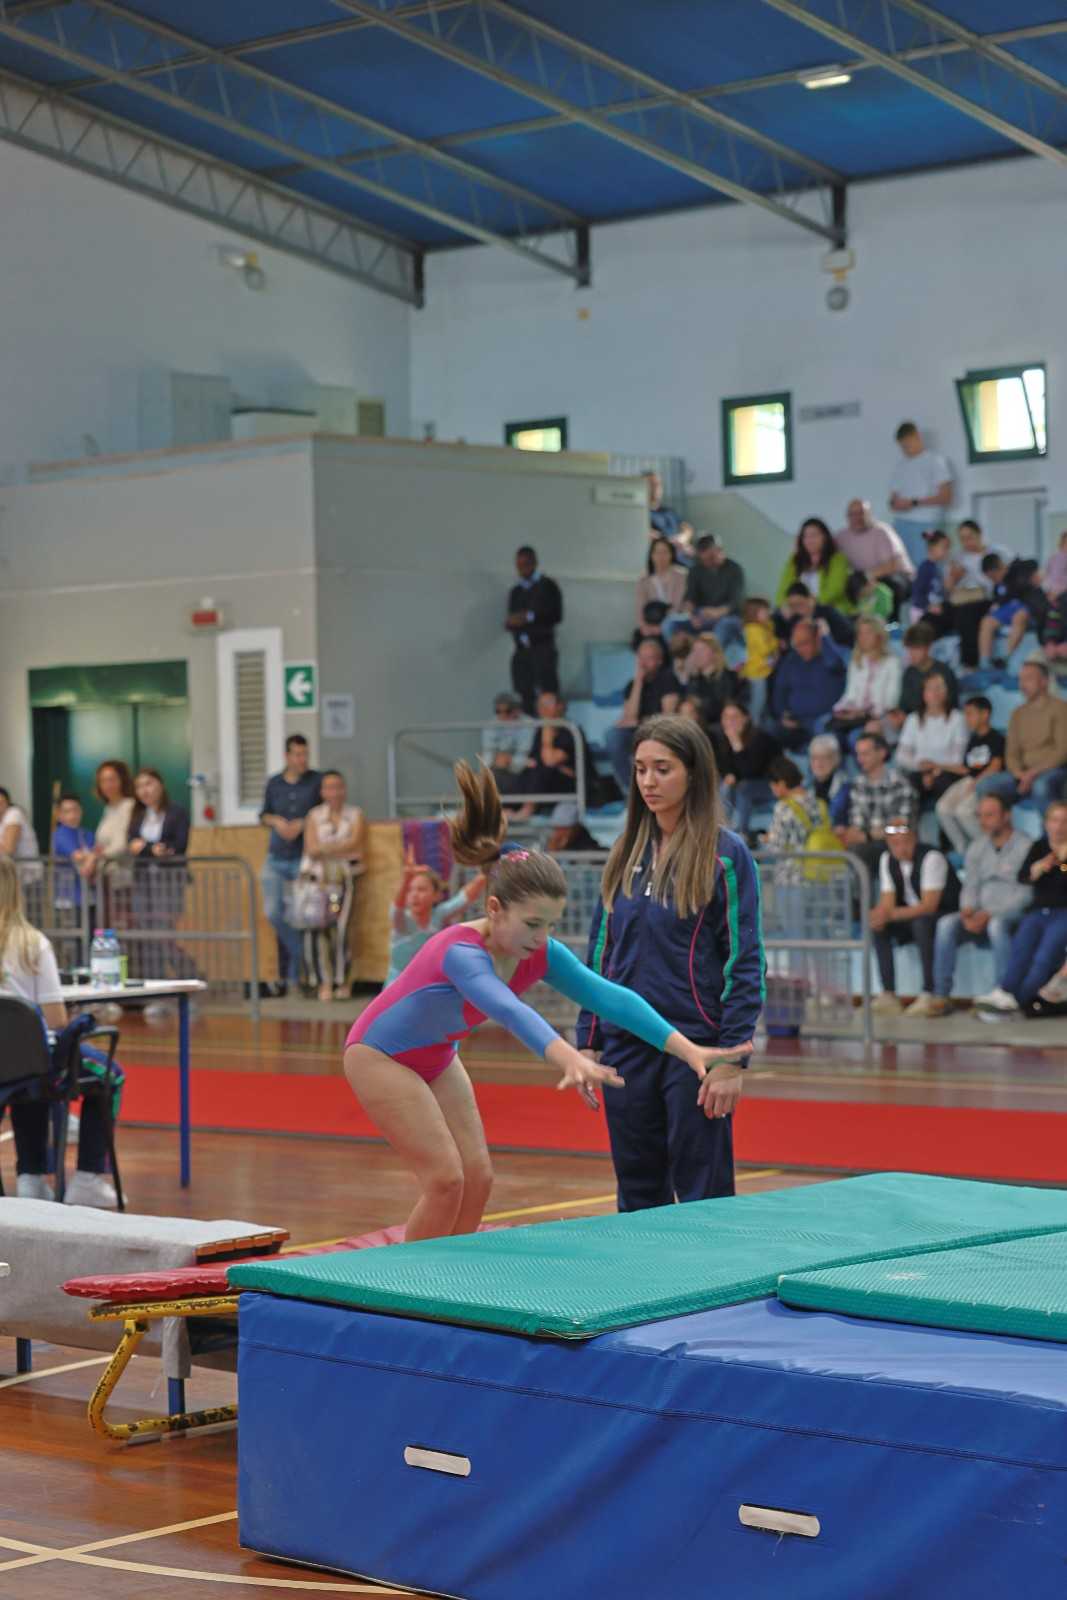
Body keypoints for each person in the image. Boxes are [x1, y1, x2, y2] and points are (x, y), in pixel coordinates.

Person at [345, 761, 734, 1240]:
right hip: (379, 1057)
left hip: (437, 1056)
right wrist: (568, 1057)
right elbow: (509, 1010)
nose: (542, 937)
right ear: (494, 909)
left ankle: (450, 1272)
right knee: (446, 1180)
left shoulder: (538, 951)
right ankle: (409, 1278)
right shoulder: (461, 952)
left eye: (551, 924)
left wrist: (687, 1047)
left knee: (478, 1179)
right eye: (532, 924)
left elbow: (609, 996)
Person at [576, 715, 763, 1212]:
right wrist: (589, 1040)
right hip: (625, 1047)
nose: (648, 782)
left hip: (696, 1049)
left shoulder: (726, 856)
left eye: (663, 769)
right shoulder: (625, 852)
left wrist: (731, 1059)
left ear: (693, 773)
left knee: (704, 1196)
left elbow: (745, 959)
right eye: (640, 769)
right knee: (637, 1194)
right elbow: (600, 952)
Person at [0, 856, 122, 1206]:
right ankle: (87, 1176)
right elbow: (56, 1021)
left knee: (22, 1073)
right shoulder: (32, 944)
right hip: (33, 1063)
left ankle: (31, 1178)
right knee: (109, 1074)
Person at [927, 794, 1033, 1016]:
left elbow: (1026, 894)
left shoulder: (1026, 846)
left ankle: (1001, 994)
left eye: (989, 815)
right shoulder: (977, 847)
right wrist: (967, 911)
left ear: (1006, 816)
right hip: (978, 913)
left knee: (997, 925)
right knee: (946, 923)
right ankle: (940, 995)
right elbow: (970, 885)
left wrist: (990, 913)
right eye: (980, 816)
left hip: (1012, 914)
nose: (983, 821)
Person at [976, 800, 1067, 1016]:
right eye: (1055, 820)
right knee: (1021, 949)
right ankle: (1005, 990)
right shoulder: (1039, 847)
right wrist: (1038, 868)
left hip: (1063, 912)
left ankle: (1021, 998)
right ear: (1046, 823)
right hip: (1038, 910)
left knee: (1044, 956)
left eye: (1064, 821)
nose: (1059, 826)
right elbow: (1023, 876)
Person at [869, 815, 959, 1016]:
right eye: (895, 844)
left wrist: (889, 913)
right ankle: (888, 993)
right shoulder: (887, 859)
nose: (901, 849)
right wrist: (880, 915)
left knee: (921, 923)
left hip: (943, 913)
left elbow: (929, 906)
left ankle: (928, 992)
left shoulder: (931, 857)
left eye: (905, 842)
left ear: (915, 839)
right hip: (911, 914)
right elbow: (888, 903)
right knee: (879, 927)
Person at [260, 734, 322, 995]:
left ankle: (298, 975)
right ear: (287, 756)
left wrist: (303, 823)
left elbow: (323, 813)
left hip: (303, 857)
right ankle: (302, 954)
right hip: (276, 855)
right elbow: (263, 814)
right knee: (273, 912)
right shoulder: (274, 783)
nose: (302, 759)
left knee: (303, 915)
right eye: (297, 754)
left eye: (305, 754)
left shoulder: (316, 781)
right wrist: (277, 821)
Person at [127, 767, 194, 998]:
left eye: (149, 784)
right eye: (139, 786)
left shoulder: (177, 813)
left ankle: (186, 972)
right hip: (143, 880)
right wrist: (150, 849)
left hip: (167, 880)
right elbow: (132, 844)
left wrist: (148, 848)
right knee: (147, 932)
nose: (144, 790)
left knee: (163, 931)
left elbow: (178, 845)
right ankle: (154, 986)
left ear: (160, 785)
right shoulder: (138, 815)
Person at [301, 771, 366, 1003]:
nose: (334, 792)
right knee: (319, 931)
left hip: (345, 880)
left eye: (338, 786)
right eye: (329, 787)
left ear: (344, 789)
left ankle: (343, 981)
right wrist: (340, 847)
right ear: (322, 792)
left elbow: (357, 846)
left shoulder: (355, 814)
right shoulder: (314, 816)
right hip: (319, 883)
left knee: (342, 929)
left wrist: (326, 848)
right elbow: (311, 849)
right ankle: (323, 982)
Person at [977, 660, 1067, 814]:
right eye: (1020, 679)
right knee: (985, 785)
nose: (1022, 684)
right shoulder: (1017, 713)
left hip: (1052, 770)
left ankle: (1050, 829)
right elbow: (1011, 752)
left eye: (1028, 678)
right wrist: (1019, 773)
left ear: (1044, 681)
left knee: (1041, 786)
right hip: (1022, 773)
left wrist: (1033, 773)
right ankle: (1001, 828)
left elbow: (1062, 751)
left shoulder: (1060, 708)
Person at [387, 850, 485, 985]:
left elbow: (464, 898)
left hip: (427, 984)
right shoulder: (403, 921)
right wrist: (406, 880)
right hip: (397, 986)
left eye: (421, 889)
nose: (414, 895)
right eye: (410, 890)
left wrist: (487, 872)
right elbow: (396, 910)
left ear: (437, 895)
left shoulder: (438, 915)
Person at [839, 732, 916, 886]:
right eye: (858, 754)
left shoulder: (900, 783)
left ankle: (861, 900)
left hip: (896, 844)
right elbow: (857, 825)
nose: (860, 759)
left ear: (881, 753)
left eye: (865, 754)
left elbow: (900, 828)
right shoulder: (858, 784)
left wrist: (868, 835)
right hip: (867, 843)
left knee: (859, 852)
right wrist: (857, 834)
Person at [605, 637, 681, 792]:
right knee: (613, 736)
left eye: (648, 658)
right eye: (641, 658)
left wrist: (644, 721)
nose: (643, 663)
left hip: (661, 731)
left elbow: (668, 717)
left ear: (659, 661)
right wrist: (639, 681)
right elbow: (630, 718)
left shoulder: (668, 679)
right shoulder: (632, 685)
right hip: (638, 731)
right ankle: (632, 790)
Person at [934, 695, 1006, 855]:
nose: (966, 718)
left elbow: (996, 766)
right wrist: (938, 766)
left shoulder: (996, 738)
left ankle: (989, 849)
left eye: (970, 714)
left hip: (986, 782)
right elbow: (966, 768)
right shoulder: (973, 739)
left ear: (985, 714)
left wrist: (977, 781)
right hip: (969, 780)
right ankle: (963, 850)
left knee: (963, 811)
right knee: (942, 808)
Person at [895, 673, 969, 819]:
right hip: (918, 771)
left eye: (939, 688)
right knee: (905, 785)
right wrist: (921, 768)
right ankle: (904, 829)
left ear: (946, 692)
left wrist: (935, 768)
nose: (935, 693)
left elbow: (957, 759)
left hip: (947, 772)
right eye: (930, 689)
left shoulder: (958, 719)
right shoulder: (913, 719)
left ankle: (945, 832)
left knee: (942, 782)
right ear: (923, 693)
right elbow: (901, 755)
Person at [765, 619, 847, 750]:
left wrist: (825, 638)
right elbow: (780, 691)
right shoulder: (791, 660)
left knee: (822, 733)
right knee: (767, 733)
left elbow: (836, 664)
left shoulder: (834, 655)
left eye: (804, 643)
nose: (799, 649)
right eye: (796, 644)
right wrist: (783, 714)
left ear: (817, 639)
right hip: (796, 722)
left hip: (825, 721)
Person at [829, 615, 902, 749]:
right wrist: (842, 709)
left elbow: (891, 700)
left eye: (868, 632)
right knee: (829, 732)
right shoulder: (856, 662)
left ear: (879, 635)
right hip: (856, 715)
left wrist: (864, 712)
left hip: (880, 717)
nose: (863, 637)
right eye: (861, 633)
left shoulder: (892, 663)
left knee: (856, 738)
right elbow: (850, 694)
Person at [945, 519, 1010, 669]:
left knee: (967, 614)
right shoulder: (958, 558)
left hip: (989, 598)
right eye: (962, 539)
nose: (967, 543)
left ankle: (970, 664)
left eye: (970, 537)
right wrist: (954, 577)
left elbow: (1008, 577)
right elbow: (948, 589)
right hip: (964, 598)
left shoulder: (998, 552)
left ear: (979, 534)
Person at [506, 546, 563, 715]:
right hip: (522, 650)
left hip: (542, 648)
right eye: (519, 565)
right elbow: (512, 617)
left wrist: (530, 616)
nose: (522, 569)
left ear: (534, 563)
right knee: (525, 693)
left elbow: (556, 615)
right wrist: (513, 621)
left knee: (547, 691)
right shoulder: (516, 591)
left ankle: (549, 726)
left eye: (525, 564)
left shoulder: (548, 586)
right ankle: (530, 723)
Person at [888, 421, 952, 568]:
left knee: (926, 566)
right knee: (903, 567)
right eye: (903, 446)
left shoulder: (935, 461)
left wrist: (913, 503)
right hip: (902, 523)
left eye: (908, 444)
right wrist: (895, 504)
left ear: (917, 437)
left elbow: (946, 497)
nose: (906, 449)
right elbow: (892, 500)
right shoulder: (901, 466)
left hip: (926, 523)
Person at [711, 701, 780, 837]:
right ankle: (721, 830)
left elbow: (750, 772)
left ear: (746, 718)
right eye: (726, 717)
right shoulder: (722, 739)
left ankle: (742, 833)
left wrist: (736, 744)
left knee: (744, 787)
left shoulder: (760, 739)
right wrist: (729, 774)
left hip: (770, 784)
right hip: (742, 786)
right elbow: (724, 767)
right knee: (724, 786)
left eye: (734, 717)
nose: (730, 721)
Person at [835, 498, 914, 616]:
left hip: (896, 576)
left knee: (889, 587)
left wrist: (867, 577)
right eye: (853, 514)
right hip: (864, 579)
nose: (857, 518)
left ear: (869, 514)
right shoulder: (841, 537)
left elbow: (892, 565)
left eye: (861, 513)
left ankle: (892, 623)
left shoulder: (882, 532)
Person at [509, 690, 578, 819]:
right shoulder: (538, 731)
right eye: (540, 705)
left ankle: (528, 809)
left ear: (560, 706)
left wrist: (547, 728)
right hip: (546, 782)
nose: (542, 709)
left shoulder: (571, 731)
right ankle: (508, 808)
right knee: (522, 772)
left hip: (569, 783)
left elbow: (549, 760)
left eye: (547, 704)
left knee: (542, 769)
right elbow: (533, 759)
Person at [886, 622, 958, 737]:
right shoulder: (909, 673)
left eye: (916, 649)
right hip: (913, 725)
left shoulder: (944, 672)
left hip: (940, 725)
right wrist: (898, 715)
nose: (912, 654)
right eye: (909, 649)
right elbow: (903, 705)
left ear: (928, 647)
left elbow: (952, 705)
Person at [977, 552, 1046, 668]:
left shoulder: (1017, 571)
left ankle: (1006, 658)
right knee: (986, 621)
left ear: (999, 568)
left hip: (1025, 607)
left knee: (1019, 616)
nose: (993, 580)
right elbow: (999, 602)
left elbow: (1033, 564)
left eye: (993, 576)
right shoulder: (998, 586)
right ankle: (984, 662)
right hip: (1007, 610)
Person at [775, 517, 854, 614]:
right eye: (805, 536)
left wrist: (808, 605)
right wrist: (783, 606)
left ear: (825, 537)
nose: (809, 540)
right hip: (798, 612)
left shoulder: (838, 559)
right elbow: (783, 589)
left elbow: (835, 590)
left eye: (814, 535)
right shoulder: (794, 560)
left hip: (830, 611)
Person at [681, 534, 745, 652]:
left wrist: (717, 612)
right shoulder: (695, 570)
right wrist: (690, 616)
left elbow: (735, 602)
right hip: (702, 615)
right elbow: (690, 597)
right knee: (673, 625)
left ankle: (711, 656)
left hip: (728, 616)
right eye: (705, 559)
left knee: (721, 628)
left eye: (712, 557)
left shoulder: (735, 569)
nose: (708, 562)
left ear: (720, 550)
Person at [684, 633, 746, 731]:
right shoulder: (694, 679)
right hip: (698, 727)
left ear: (714, 653)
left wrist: (700, 703)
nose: (697, 655)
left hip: (722, 727)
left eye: (701, 650)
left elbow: (723, 707)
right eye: (694, 651)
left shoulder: (728, 677)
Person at [774, 582, 854, 649]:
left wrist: (825, 636)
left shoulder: (827, 612)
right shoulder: (794, 619)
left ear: (810, 598)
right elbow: (786, 641)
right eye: (792, 606)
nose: (796, 609)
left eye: (799, 604)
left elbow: (848, 635)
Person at [51, 793, 95, 914]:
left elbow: (94, 854)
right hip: (67, 899)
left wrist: (92, 858)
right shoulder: (59, 834)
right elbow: (78, 856)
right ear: (59, 815)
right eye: (67, 811)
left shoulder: (87, 834)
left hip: (89, 896)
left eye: (75, 810)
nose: (72, 815)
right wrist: (93, 856)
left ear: (81, 811)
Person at [636, 537, 687, 640]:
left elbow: (677, 606)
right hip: (651, 624)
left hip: (674, 624)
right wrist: (644, 626)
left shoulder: (681, 576)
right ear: (651, 555)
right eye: (657, 552)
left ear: (671, 554)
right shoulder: (644, 580)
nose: (661, 556)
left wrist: (661, 628)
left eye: (665, 552)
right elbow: (640, 608)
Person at [738, 597, 778, 727]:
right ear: (754, 613)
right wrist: (776, 643)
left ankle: (763, 724)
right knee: (758, 702)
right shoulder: (753, 629)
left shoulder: (761, 627)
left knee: (763, 700)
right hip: (756, 672)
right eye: (764, 612)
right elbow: (765, 649)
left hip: (762, 670)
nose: (768, 614)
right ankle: (752, 726)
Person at [481, 692, 530, 797]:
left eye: (507, 711)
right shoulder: (491, 725)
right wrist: (487, 768)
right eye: (498, 711)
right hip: (497, 768)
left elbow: (526, 752)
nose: (502, 715)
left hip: (522, 770)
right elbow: (488, 753)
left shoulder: (529, 724)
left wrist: (510, 760)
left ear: (517, 710)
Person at [911, 529, 953, 633]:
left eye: (948, 547)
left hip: (933, 611)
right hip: (922, 612)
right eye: (944, 547)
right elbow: (918, 592)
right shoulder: (925, 568)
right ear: (932, 548)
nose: (947, 551)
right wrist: (928, 606)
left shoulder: (938, 568)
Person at [807, 733, 850, 826]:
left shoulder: (846, 786)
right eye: (814, 758)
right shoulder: (805, 786)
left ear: (836, 759)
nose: (818, 763)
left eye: (824, 757)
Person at [0, 787, 40, 863]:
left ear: (8, 803)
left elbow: (7, 850)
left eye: (1, 803)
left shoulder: (14, 813)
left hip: (27, 868)